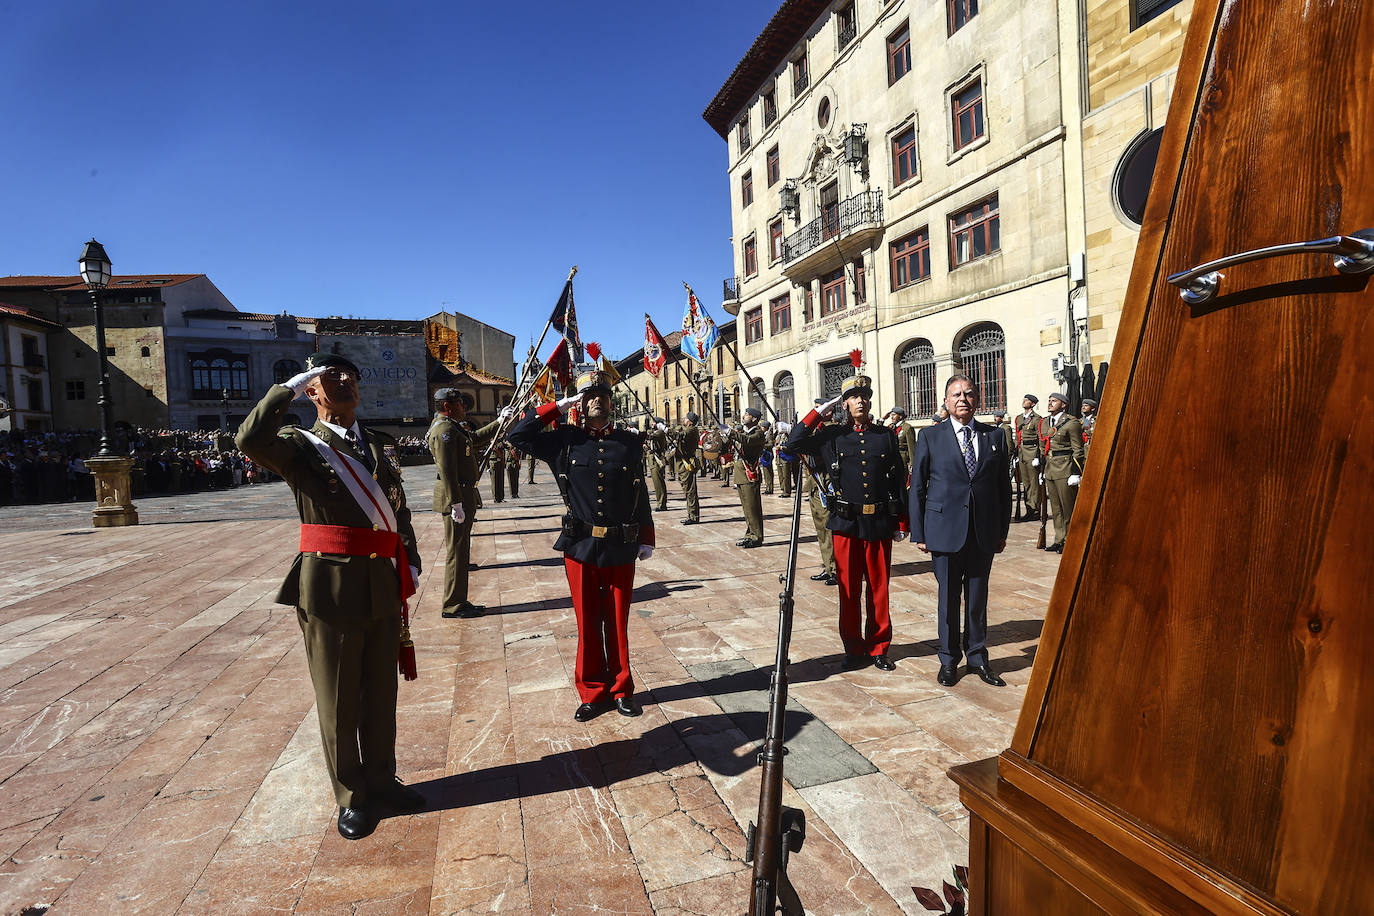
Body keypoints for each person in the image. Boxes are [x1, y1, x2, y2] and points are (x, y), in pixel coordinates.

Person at [235, 353, 424, 840]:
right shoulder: (299, 446)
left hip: (382, 581)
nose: (345, 380)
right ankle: (352, 797)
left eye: (351, 375)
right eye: (331, 376)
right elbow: (248, 440)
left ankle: (382, 781)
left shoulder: (378, 447)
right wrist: (289, 387)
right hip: (330, 587)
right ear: (313, 392)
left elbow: (397, 509)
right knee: (338, 699)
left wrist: (412, 558)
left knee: (381, 695)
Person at [509, 370, 654, 721]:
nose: (597, 400)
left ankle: (621, 689)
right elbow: (518, 435)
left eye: (603, 395)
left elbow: (639, 490)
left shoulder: (629, 442)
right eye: (589, 395)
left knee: (617, 622)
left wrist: (647, 535)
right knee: (588, 622)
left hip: (621, 543)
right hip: (581, 545)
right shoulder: (565, 442)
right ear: (580, 403)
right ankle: (592, 691)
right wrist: (558, 406)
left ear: (610, 402)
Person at [787, 374, 909, 671]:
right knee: (848, 589)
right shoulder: (832, 436)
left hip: (879, 521)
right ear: (845, 403)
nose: (861, 401)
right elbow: (793, 443)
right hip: (846, 522)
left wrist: (902, 522)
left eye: (865, 396)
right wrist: (819, 412)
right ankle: (854, 647)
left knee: (879, 589)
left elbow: (898, 478)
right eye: (855, 397)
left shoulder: (886, 435)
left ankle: (879, 646)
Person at [910, 374, 1012, 688]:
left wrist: (1002, 530)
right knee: (949, 598)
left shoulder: (994, 436)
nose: (963, 399)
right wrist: (919, 533)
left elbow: (1002, 488)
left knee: (978, 598)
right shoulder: (930, 436)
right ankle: (949, 659)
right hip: (944, 530)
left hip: (982, 531)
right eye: (956, 394)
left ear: (977, 400)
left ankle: (978, 657)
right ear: (945, 400)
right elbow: (917, 487)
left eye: (969, 394)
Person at [428, 389, 500, 619]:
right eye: (460, 403)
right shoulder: (445, 430)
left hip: (462, 496)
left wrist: (500, 422)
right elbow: (447, 471)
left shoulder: (453, 427)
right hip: (456, 497)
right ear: (448, 406)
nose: (464, 407)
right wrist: (455, 503)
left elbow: (475, 440)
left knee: (461, 550)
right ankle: (452, 604)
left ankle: (459, 600)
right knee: (457, 552)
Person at [1037, 392, 1085, 554]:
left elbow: (1078, 450)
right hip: (1050, 469)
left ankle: (1071, 540)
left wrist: (1076, 472)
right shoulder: (1045, 423)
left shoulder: (1072, 423)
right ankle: (1059, 539)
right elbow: (1043, 447)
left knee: (1068, 508)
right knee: (1056, 509)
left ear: (1063, 405)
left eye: (1054, 401)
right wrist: (1042, 470)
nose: (1050, 403)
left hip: (1065, 469)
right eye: (1049, 400)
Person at [732, 407, 766, 548]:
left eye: (747, 414)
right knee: (746, 508)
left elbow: (746, 441)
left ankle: (756, 536)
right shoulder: (746, 432)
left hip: (749, 472)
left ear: (754, 419)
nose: (744, 416)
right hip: (741, 473)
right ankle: (749, 534)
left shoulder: (758, 433)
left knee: (753, 507)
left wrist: (731, 433)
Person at [1014, 394, 1042, 521]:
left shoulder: (1037, 419)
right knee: (1025, 483)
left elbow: (1040, 439)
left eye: (1027, 400)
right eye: (1024, 399)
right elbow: (1017, 437)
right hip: (1021, 453)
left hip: (1032, 453)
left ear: (1033, 404)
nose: (1024, 401)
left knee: (1033, 483)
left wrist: (1038, 456)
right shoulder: (1019, 418)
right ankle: (1028, 508)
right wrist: (1015, 453)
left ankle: (1034, 510)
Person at [671, 412, 702, 524]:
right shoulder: (687, 430)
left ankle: (693, 516)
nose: (683, 420)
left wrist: (666, 429)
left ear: (689, 421)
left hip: (687, 463)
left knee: (690, 490)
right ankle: (691, 515)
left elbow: (680, 435)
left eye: (685, 418)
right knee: (687, 490)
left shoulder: (692, 429)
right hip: (683, 463)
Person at [645, 418, 670, 511]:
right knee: (656, 482)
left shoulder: (660, 433)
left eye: (654, 422)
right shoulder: (654, 431)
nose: (652, 423)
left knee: (659, 482)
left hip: (657, 460)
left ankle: (662, 503)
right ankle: (660, 502)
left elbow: (650, 436)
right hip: (652, 460)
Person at [886, 407, 916, 471]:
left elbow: (911, 447)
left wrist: (912, 463)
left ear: (900, 416)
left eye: (894, 415)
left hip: (902, 458)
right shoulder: (891, 427)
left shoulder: (907, 427)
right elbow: (880, 431)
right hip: (892, 458)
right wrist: (882, 419)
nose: (892, 417)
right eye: (891, 415)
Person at [758, 420, 775, 495]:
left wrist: (762, 445)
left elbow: (771, 444)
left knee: (768, 473)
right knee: (765, 472)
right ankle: (767, 487)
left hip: (768, 455)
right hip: (764, 454)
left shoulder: (769, 435)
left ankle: (770, 488)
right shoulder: (764, 434)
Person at [489, 439, 506, 503]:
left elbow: (505, 446)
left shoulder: (499, 441)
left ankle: (501, 497)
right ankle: (495, 497)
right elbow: (499, 446)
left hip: (500, 462)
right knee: (494, 481)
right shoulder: (489, 441)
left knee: (501, 480)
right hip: (494, 462)